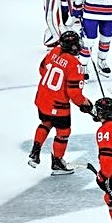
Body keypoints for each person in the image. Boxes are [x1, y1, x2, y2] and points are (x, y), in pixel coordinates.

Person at [28, 31, 93, 175]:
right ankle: (57, 162)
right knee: (63, 132)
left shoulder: (54, 51)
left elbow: (41, 69)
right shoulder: (75, 65)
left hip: (42, 98)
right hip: (58, 105)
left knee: (46, 123)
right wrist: (86, 103)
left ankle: (35, 150)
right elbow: (74, 94)